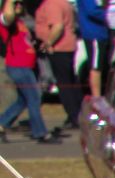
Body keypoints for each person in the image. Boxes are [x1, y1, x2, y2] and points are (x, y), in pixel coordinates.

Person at [1, 0, 58, 143]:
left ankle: (2, 123)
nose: (19, 5)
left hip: (26, 65)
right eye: (16, 4)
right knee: (34, 98)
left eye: (20, 3)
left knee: (22, 100)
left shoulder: (21, 22)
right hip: (18, 66)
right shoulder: (6, 21)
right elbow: (7, 14)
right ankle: (41, 133)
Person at [34, 0, 80, 130]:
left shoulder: (52, 4)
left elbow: (58, 26)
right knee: (70, 81)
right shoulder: (64, 3)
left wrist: (48, 42)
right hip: (66, 46)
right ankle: (75, 114)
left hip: (59, 48)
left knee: (64, 84)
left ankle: (73, 116)